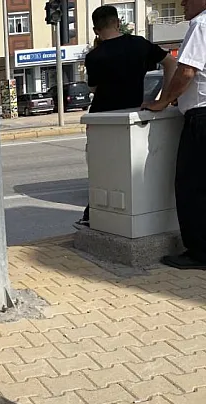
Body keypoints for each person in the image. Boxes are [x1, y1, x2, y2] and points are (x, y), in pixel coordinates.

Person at [77, 5, 177, 227]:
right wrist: (164, 99)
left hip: (102, 119)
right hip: (134, 115)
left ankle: (94, 214)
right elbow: (170, 63)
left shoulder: (94, 56)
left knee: (102, 169)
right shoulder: (139, 44)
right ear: (118, 22)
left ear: (95, 29)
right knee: (133, 168)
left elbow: (93, 88)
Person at [143, 0, 206, 269]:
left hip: (201, 117)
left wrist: (163, 101)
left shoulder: (201, 24)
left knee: (192, 186)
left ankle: (199, 253)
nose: (182, 3)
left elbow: (187, 70)